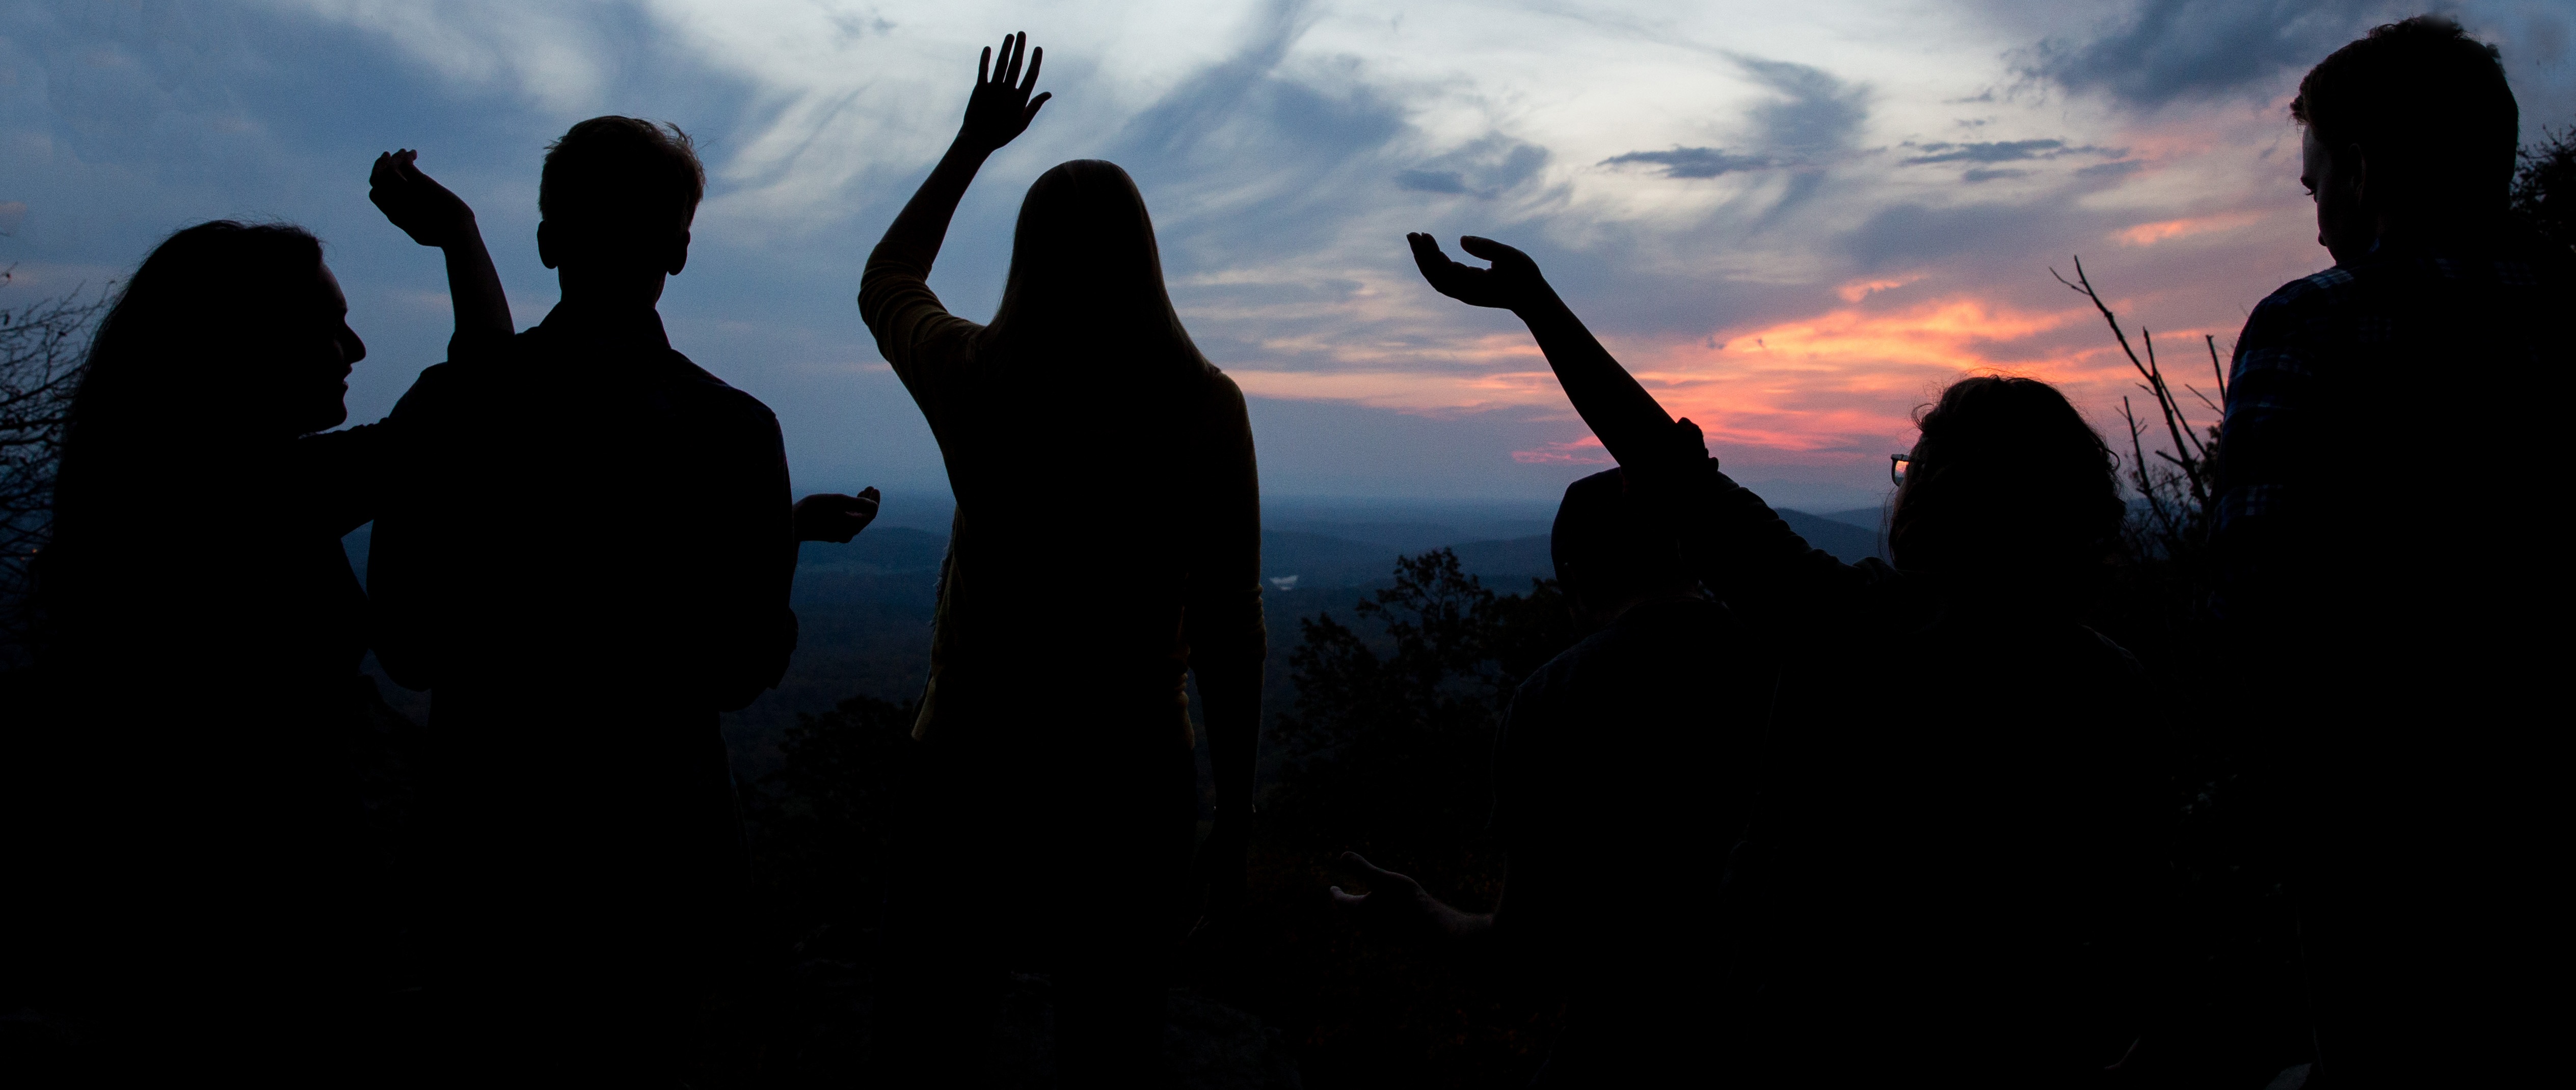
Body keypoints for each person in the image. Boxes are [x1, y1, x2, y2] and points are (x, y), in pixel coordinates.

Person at [1407, 233, 2170, 1085]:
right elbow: (2140, 928)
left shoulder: (1850, 629)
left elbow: (1668, 473)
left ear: (1935, 501)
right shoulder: (2112, 688)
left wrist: (1536, 306)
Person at [366, 117, 872, 1080]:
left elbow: (406, 645)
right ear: (679, 251)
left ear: (550, 240)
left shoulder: (446, 412)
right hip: (657, 867)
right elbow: (743, 667)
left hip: (481, 857)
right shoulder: (733, 432)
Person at [7, 153, 508, 1082]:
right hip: (254, 930)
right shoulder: (246, 497)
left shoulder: (155, 493)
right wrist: (460, 241)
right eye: (328, 327)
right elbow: (479, 404)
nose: (355, 350)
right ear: (241, 345)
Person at [856, 33, 1265, 1086]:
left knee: (930, 1038)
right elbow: (1229, 624)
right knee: (1111, 1048)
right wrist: (1240, 806)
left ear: (1025, 261)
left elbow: (887, 279)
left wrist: (970, 145)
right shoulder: (1201, 407)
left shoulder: (975, 376)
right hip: (1130, 774)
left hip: (968, 759)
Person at [2216, 16, 2569, 1085]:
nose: (2318, 220)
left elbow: (2253, 594)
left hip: (2382, 836)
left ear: (2363, 171)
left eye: (2316, 180)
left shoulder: (2311, 327)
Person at [1329, 468, 1757, 1087]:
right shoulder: (1792, 661)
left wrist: (1418, 910)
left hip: (1625, 1055)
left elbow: (1519, 961)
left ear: (1576, 577)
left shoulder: (1555, 700)